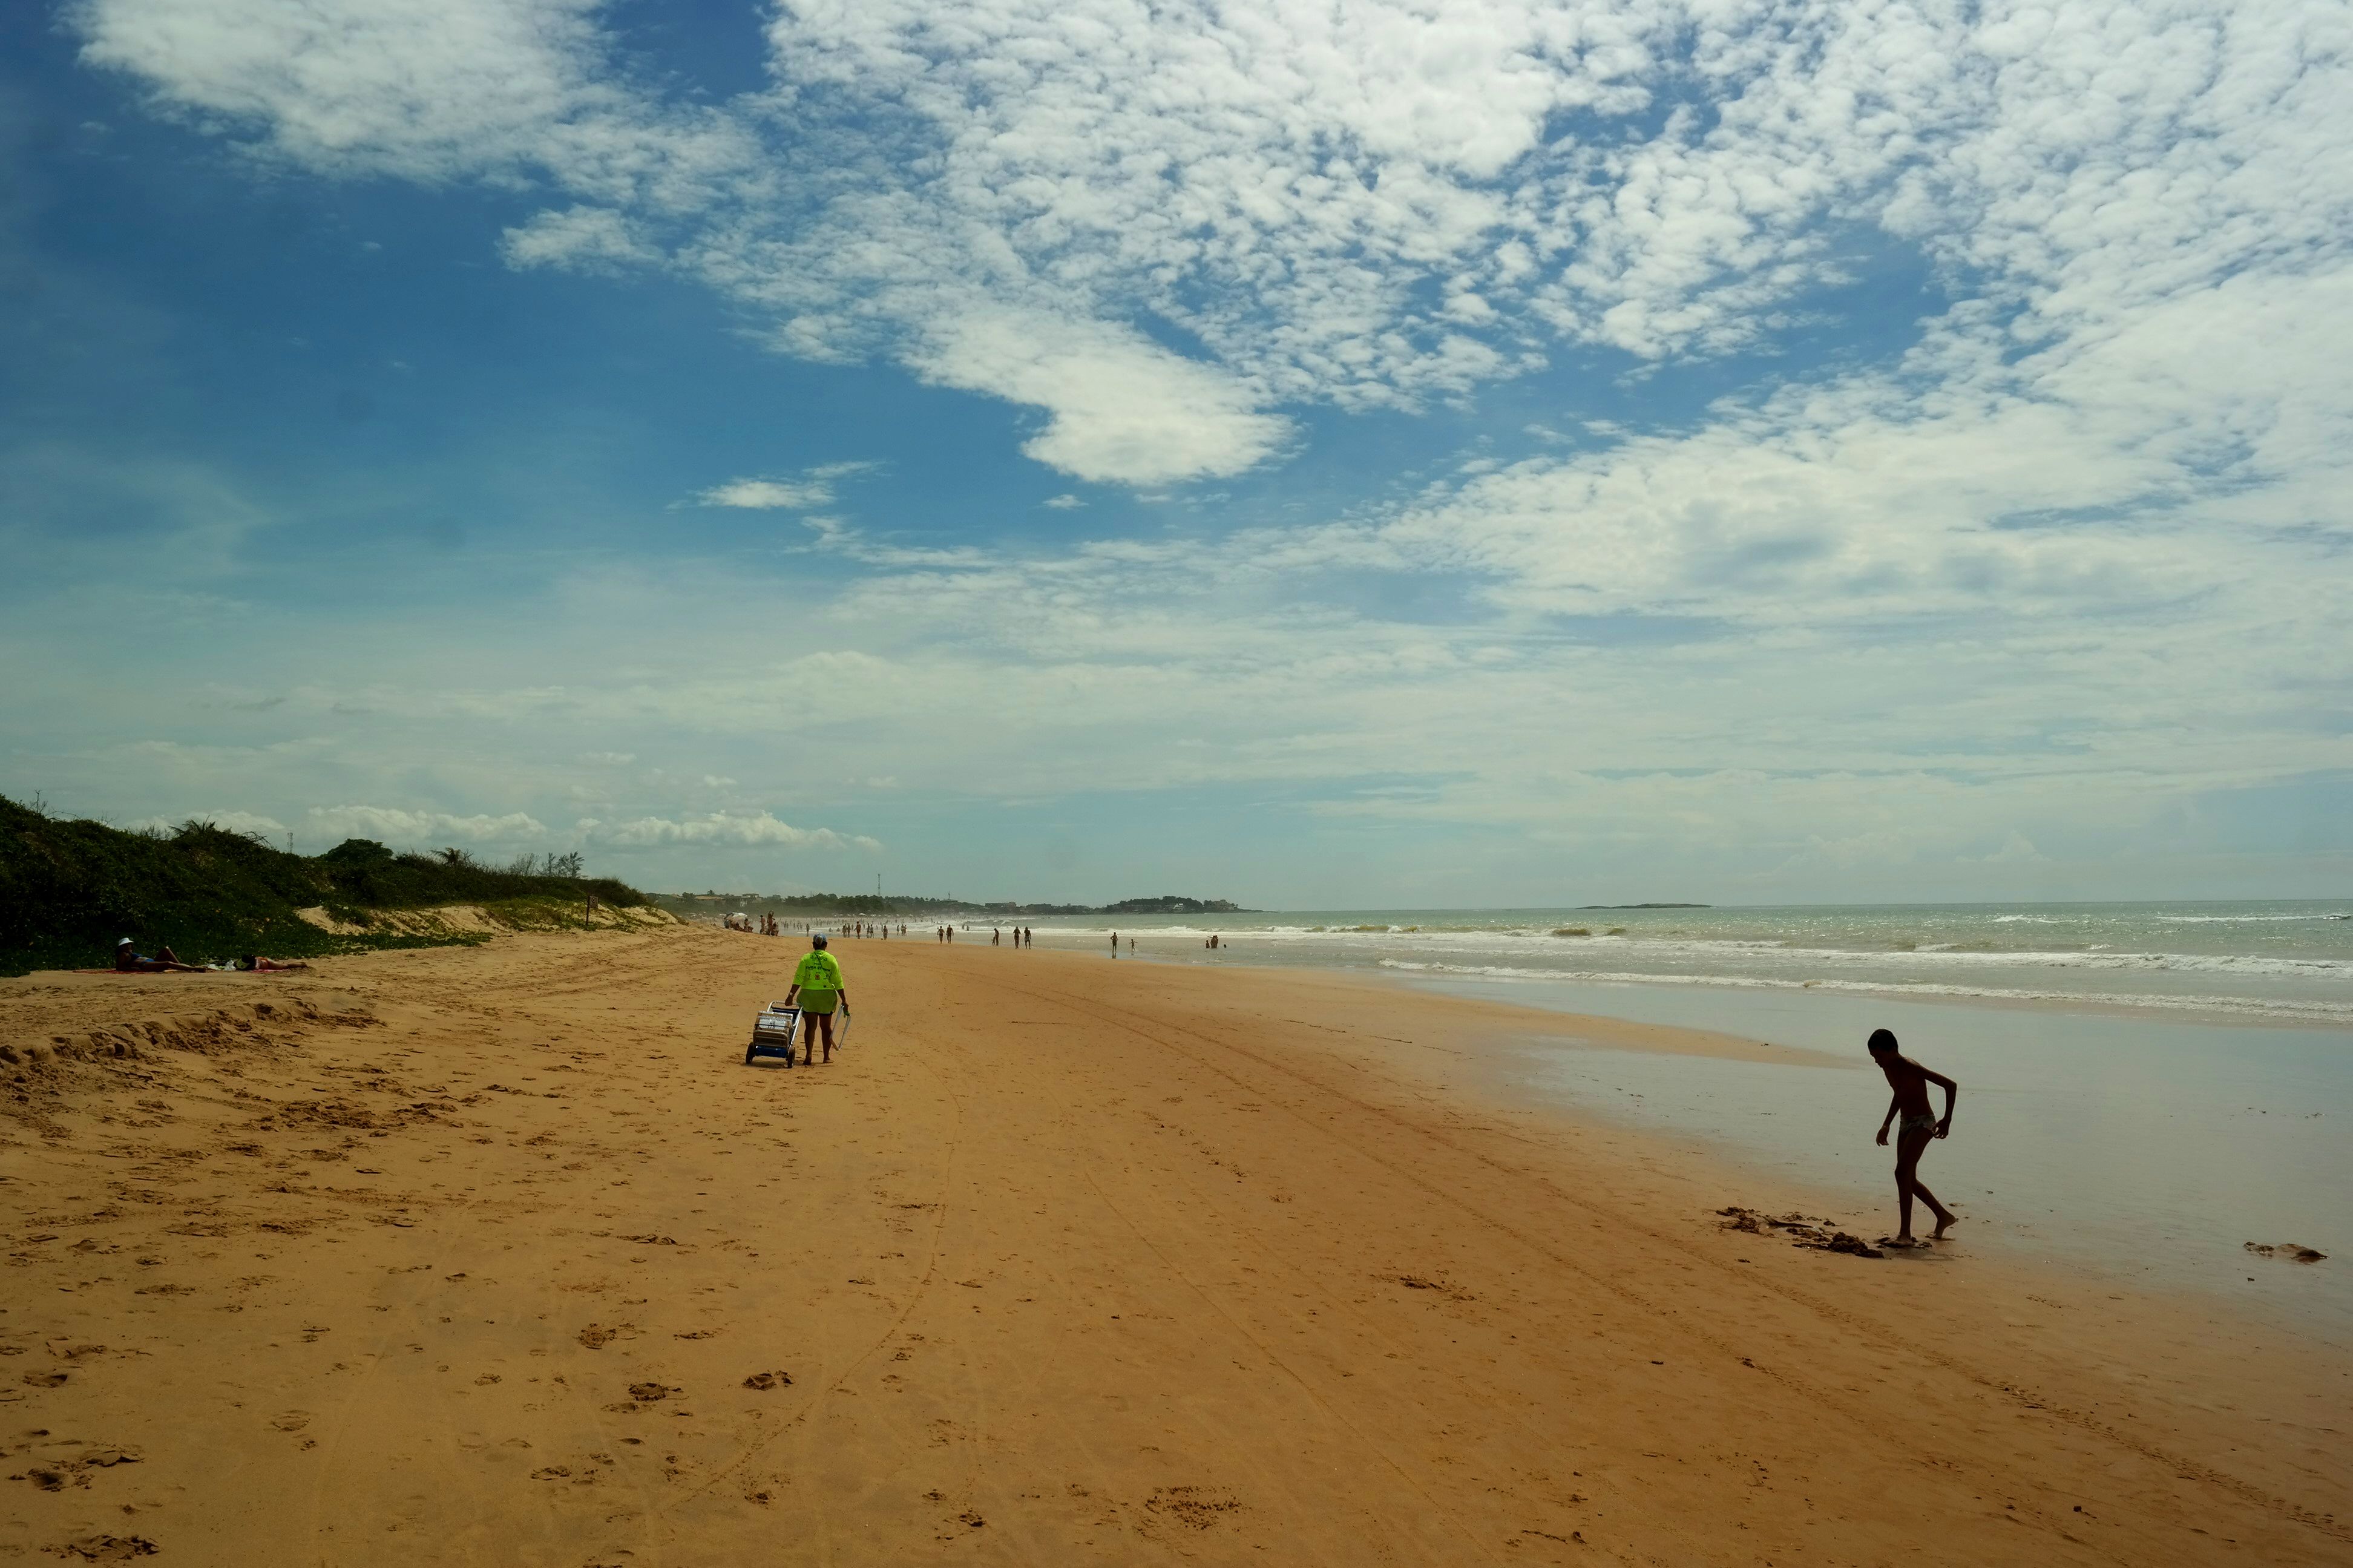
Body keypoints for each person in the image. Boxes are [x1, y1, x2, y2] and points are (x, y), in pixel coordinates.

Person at [1869, 1028, 1959, 1245]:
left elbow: (1950, 1085)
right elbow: (1899, 1094)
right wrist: (1886, 1124)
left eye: (1879, 1056)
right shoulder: (1888, 1068)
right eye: (1874, 1057)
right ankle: (1944, 1217)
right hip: (1905, 1123)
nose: (1877, 1062)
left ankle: (1905, 1235)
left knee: (1901, 1173)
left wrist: (1947, 1119)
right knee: (1908, 1178)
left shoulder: (1910, 1066)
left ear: (1893, 1051)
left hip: (1924, 1122)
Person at [783, 934, 849, 1066]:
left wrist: (791, 995)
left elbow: (799, 978)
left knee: (810, 1027)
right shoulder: (831, 959)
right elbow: (838, 982)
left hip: (809, 996)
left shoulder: (806, 959)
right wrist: (844, 1000)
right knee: (826, 1027)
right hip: (826, 997)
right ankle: (826, 1057)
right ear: (826, 945)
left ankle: (809, 1054)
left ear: (813, 945)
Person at [115, 939, 203, 973]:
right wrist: (134, 969)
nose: (128, 946)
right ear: (122, 948)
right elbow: (120, 967)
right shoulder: (123, 954)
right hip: (144, 965)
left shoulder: (129, 953)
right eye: (126, 945)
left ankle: (181, 967)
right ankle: (193, 968)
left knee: (166, 949)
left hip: (151, 961)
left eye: (129, 945)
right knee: (168, 963)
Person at [234, 954, 312, 972]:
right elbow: (236, 963)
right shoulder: (245, 960)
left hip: (269, 963)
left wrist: (245, 968)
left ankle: (302, 964)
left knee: (286, 966)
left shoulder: (256, 961)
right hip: (264, 961)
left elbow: (256, 968)